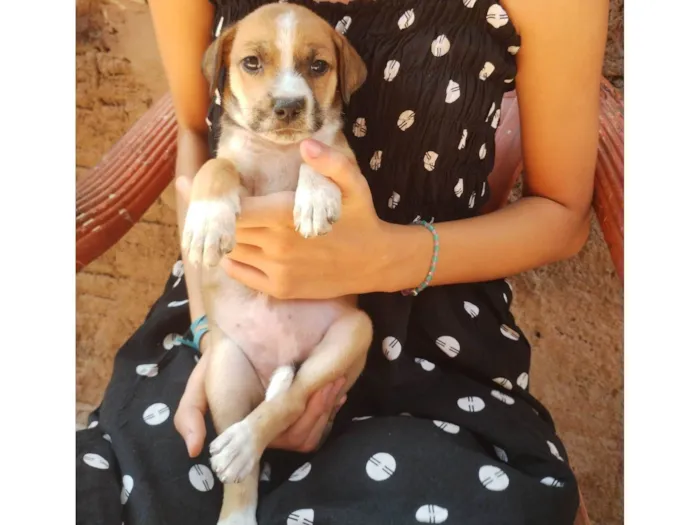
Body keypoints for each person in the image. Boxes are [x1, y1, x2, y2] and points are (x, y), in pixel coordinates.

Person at [75, 0, 608, 523]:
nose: (287, 97)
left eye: (314, 67)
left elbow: (563, 213)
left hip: (431, 328)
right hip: (224, 301)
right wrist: (211, 330)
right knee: (107, 493)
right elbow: (195, 127)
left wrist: (385, 259)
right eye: (255, 64)